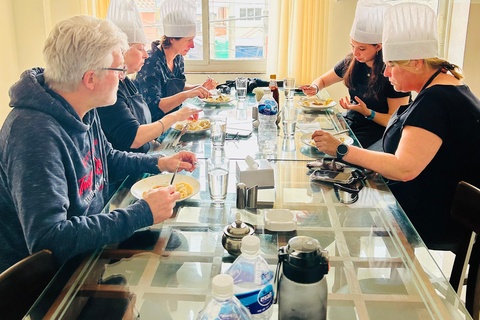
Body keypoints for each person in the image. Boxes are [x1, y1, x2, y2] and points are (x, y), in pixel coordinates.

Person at [0, 15, 198, 273]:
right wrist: (142, 213)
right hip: (51, 277)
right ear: (90, 79)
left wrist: (161, 162)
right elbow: (48, 240)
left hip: (89, 239)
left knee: (172, 242)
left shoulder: (82, 103)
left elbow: (108, 158)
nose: (124, 76)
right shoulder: (33, 133)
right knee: (169, 249)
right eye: (119, 70)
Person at [311, 3, 480, 251]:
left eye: (391, 65)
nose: (386, 72)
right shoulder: (444, 86)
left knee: (341, 211)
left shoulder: (437, 100)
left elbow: (403, 169)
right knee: (338, 189)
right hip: (428, 199)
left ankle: (332, 268)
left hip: (437, 216)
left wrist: (342, 150)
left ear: (416, 62)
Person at [301, 0, 410, 149]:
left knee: (340, 153)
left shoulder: (392, 72)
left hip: (378, 130)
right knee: (315, 142)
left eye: (362, 48)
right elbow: (323, 81)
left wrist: (367, 112)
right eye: (352, 46)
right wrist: (315, 87)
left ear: (378, 46)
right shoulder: (352, 61)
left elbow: (395, 120)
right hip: (350, 123)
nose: (355, 53)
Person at [98, 0, 201, 153]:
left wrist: (156, 145)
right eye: (140, 48)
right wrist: (176, 116)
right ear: (121, 52)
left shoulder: (126, 81)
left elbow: (140, 122)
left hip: (148, 149)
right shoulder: (108, 90)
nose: (146, 54)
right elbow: (133, 138)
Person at [134, 0, 217, 122]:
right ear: (172, 39)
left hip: (174, 119)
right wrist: (187, 95)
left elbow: (175, 87)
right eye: (188, 40)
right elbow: (153, 106)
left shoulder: (178, 58)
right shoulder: (150, 63)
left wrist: (199, 88)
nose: (192, 45)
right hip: (156, 126)